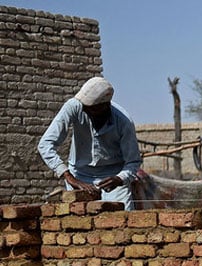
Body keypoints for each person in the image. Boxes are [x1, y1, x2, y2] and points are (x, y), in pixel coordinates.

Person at [37, 77, 142, 210]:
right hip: (79, 175)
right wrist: (68, 176)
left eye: (90, 109)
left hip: (113, 179)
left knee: (123, 220)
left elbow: (133, 162)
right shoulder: (74, 106)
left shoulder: (124, 122)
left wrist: (120, 179)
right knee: (76, 219)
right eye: (84, 108)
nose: (84, 111)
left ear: (105, 106)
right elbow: (45, 144)